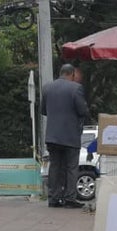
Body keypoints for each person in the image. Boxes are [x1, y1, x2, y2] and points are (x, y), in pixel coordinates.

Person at [40, 64, 90, 208]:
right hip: (70, 136)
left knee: (54, 166)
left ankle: (54, 198)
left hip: (52, 136)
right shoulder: (76, 88)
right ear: (72, 74)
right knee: (71, 167)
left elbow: (44, 111)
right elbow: (83, 110)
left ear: (60, 73)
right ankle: (69, 199)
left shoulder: (47, 88)